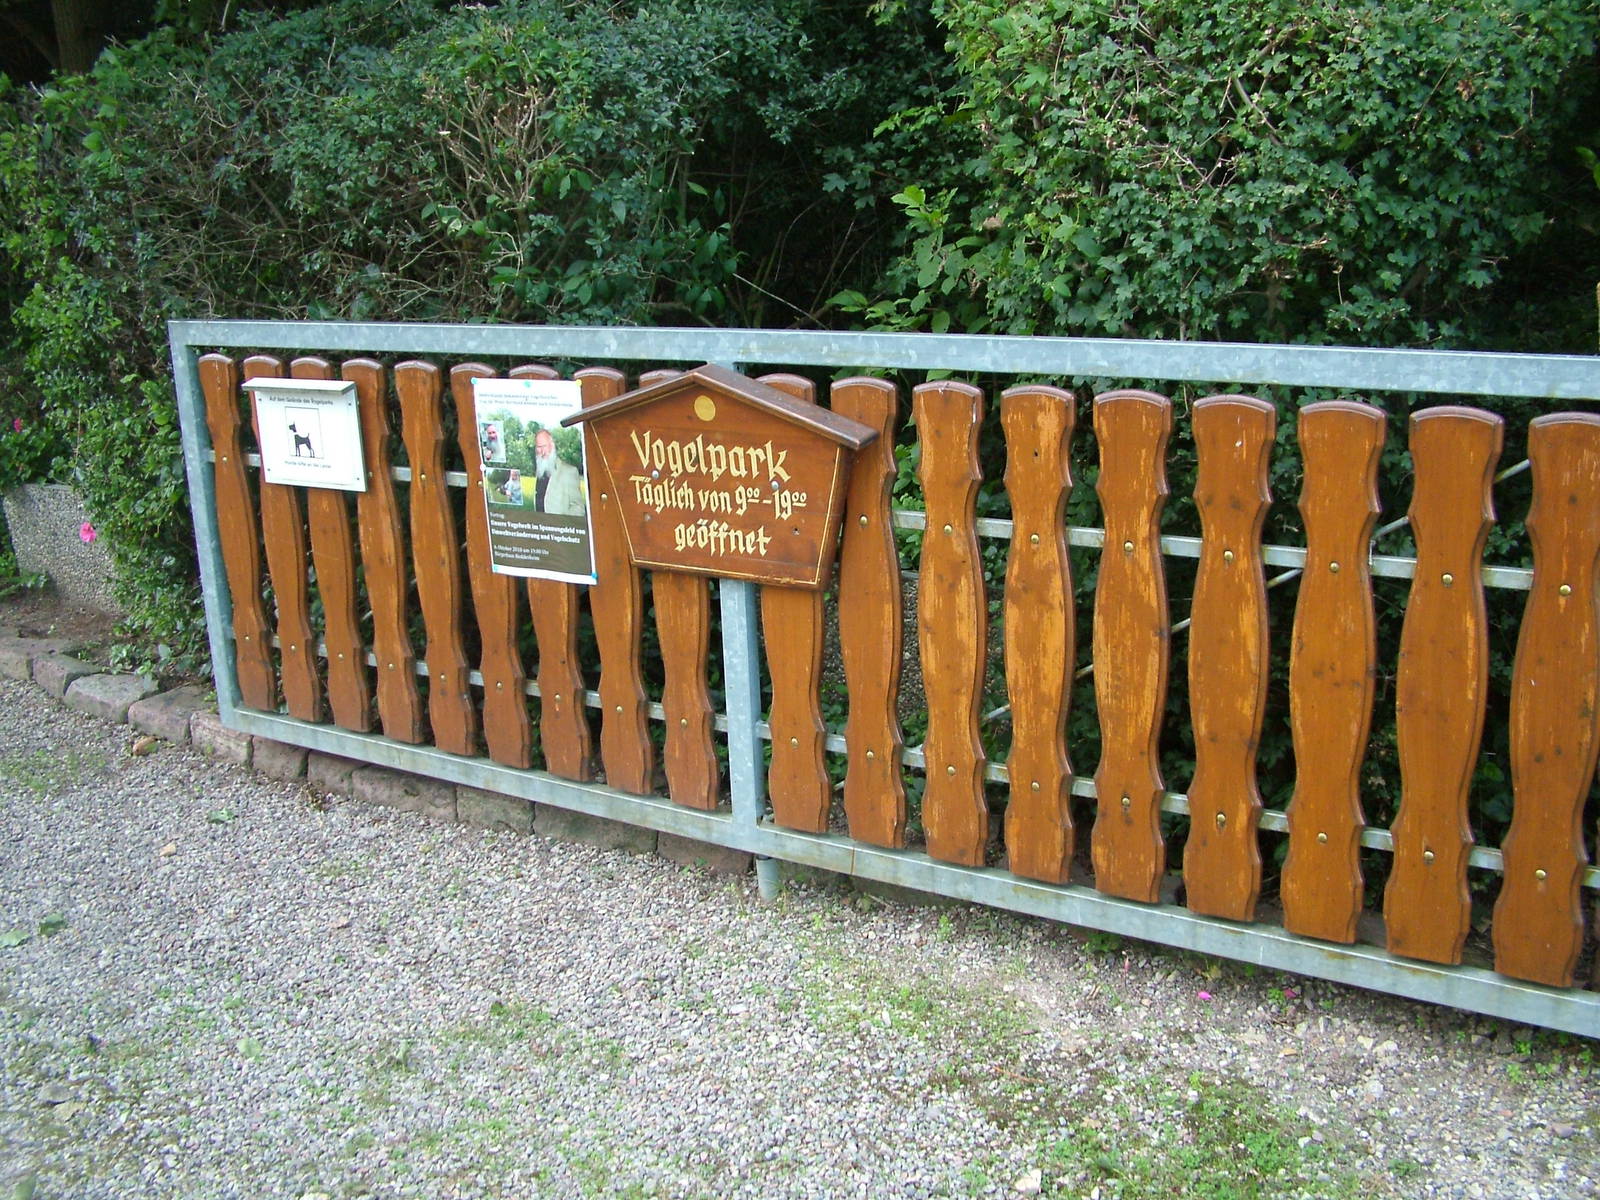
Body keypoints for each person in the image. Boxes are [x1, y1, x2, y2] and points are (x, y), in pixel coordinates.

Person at [533, 428, 585, 515]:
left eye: (544, 446)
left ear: (552, 446)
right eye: (539, 447)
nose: (542, 452)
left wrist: (563, 525)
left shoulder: (569, 472)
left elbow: (578, 507)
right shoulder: (540, 472)